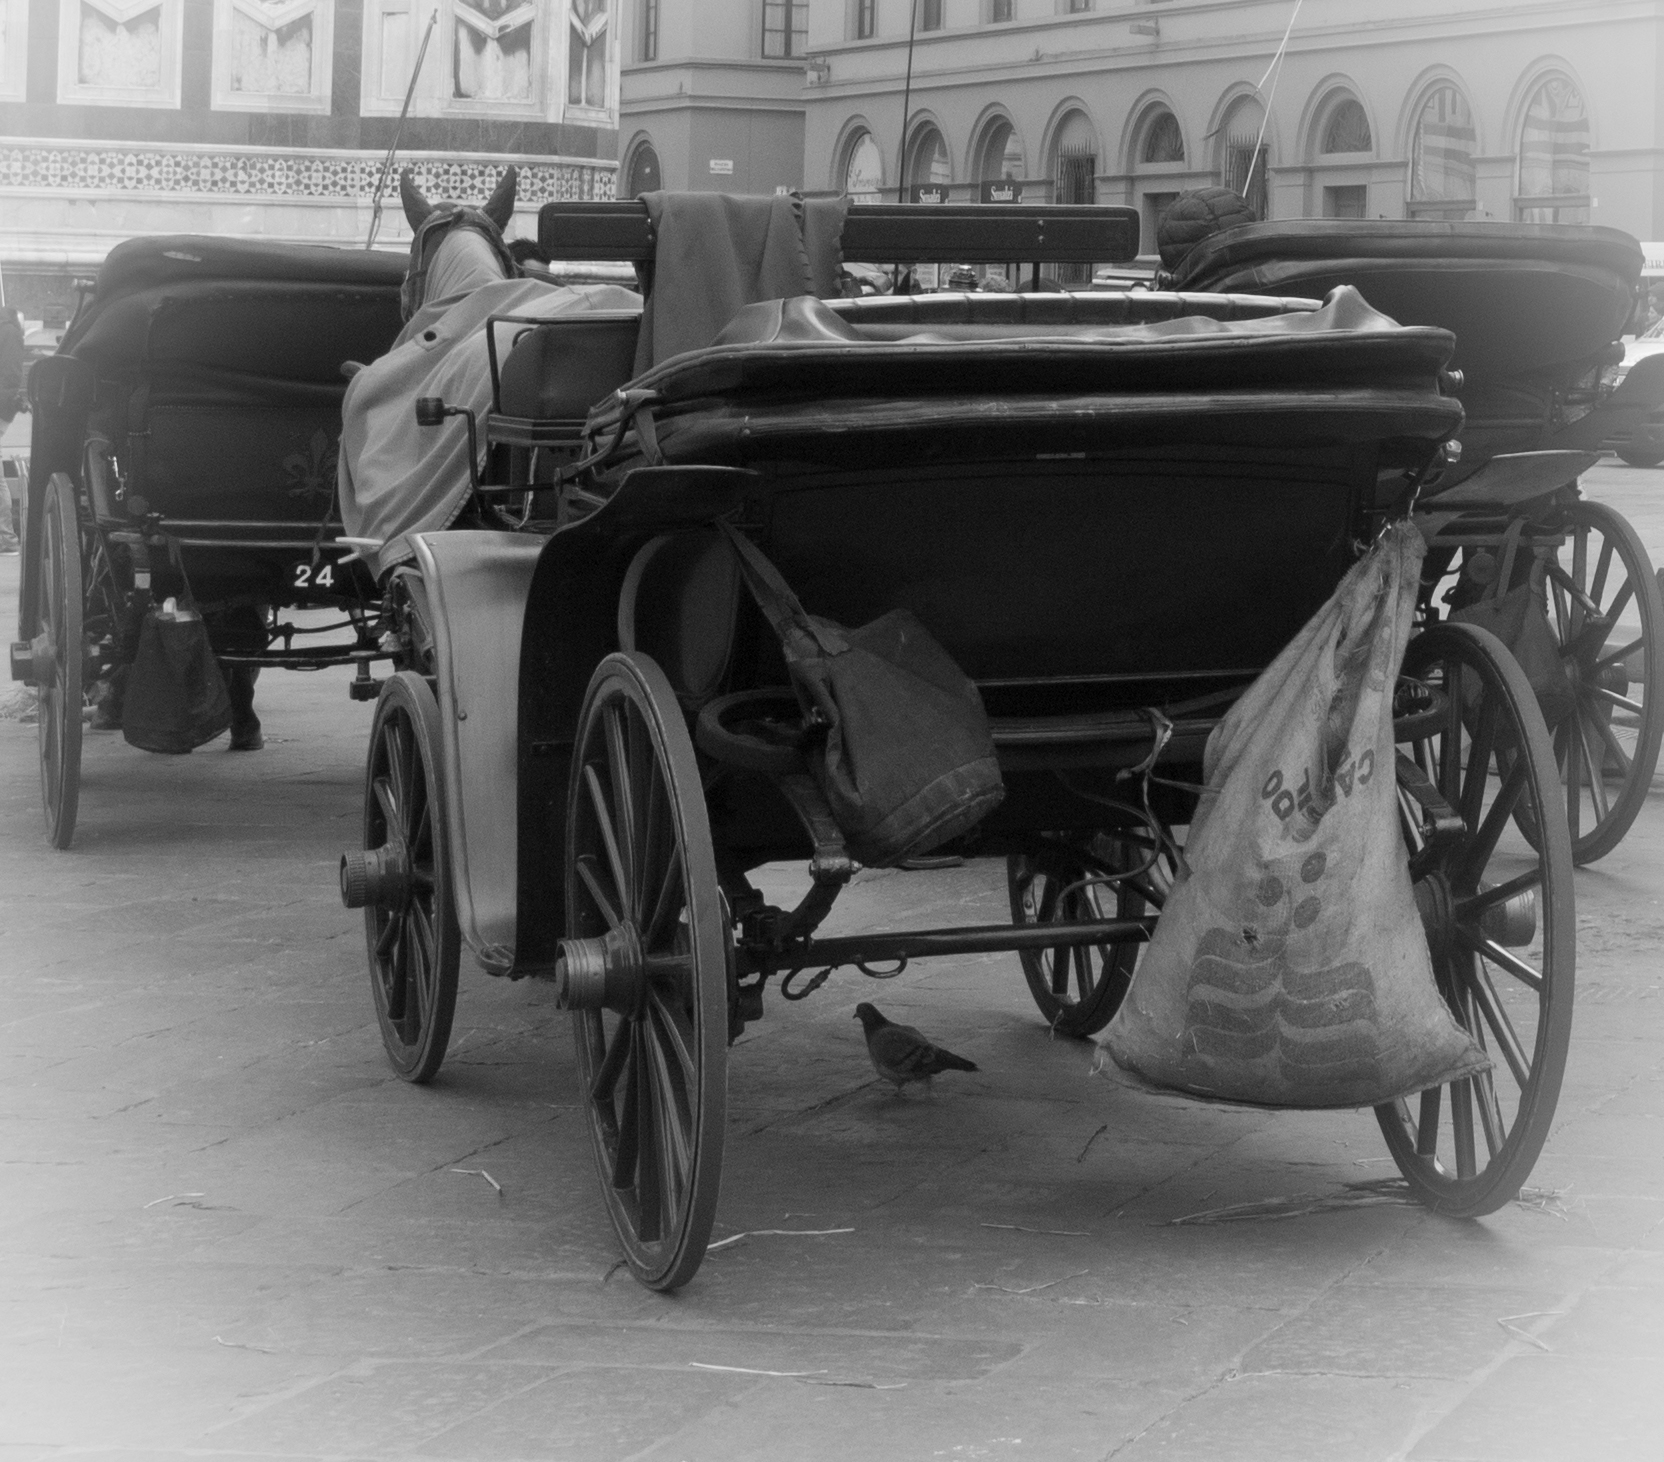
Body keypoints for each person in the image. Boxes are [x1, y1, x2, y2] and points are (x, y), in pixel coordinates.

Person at [0, 305, 25, 553]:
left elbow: (10, 377)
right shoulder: (8, 331)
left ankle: (6, 538)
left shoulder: (6, 331)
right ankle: (6, 538)